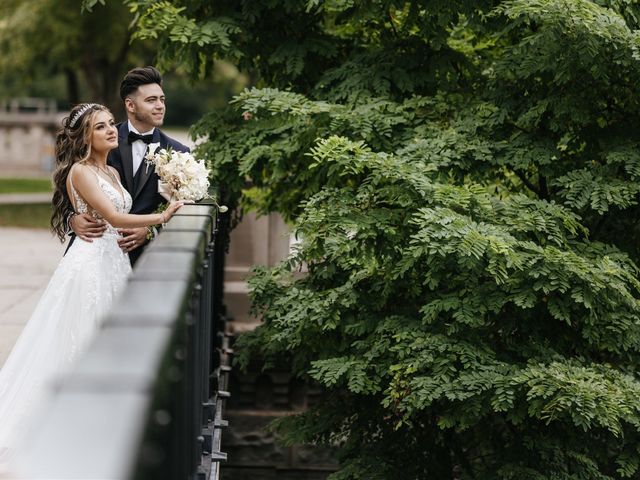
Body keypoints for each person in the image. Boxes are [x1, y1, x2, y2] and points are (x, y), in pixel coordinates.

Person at [0, 103, 184, 466]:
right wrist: (163, 215)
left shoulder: (111, 171)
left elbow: (115, 213)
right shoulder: (81, 172)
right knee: (81, 335)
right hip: (89, 265)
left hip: (112, 261)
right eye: (101, 128)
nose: (111, 130)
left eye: (109, 124)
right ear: (86, 137)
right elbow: (114, 216)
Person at [70, 66, 190, 265]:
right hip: (95, 253)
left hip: (148, 260)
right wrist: (72, 219)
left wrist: (150, 230)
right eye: (151, 100)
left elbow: (185, 209)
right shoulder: (100, 139)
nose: (160, 105)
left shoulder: (179, 153)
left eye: (162, 99)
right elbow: (69, 191)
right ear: (130, 105)